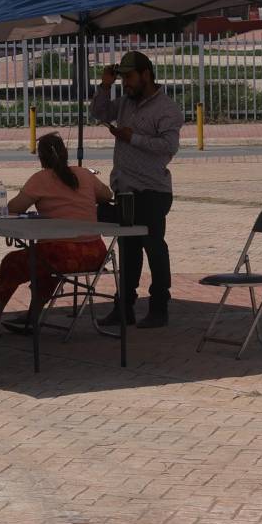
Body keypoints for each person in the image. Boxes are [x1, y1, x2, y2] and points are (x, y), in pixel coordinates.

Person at [91, 49, 184, 328]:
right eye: (123, 80)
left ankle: (158, 306)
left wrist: (134, 138)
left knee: (153, 246)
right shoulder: (125, 104)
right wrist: (105, 86)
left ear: (146, 75)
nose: (126, 84)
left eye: (129, 78)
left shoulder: (166, 109)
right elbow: (98, 111)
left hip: (152, 191)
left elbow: (169, 147)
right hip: (125, 189)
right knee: (128, 248)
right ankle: (124, 306)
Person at [0, 133, 111, 335]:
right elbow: (107, 195)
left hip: (62, 255)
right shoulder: (84, 174)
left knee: (13, 262)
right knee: (44, 265)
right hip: (95, 254)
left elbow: (14, 207)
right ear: (65, 153)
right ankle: (33, 316)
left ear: (41, 158)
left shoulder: (41, 179)